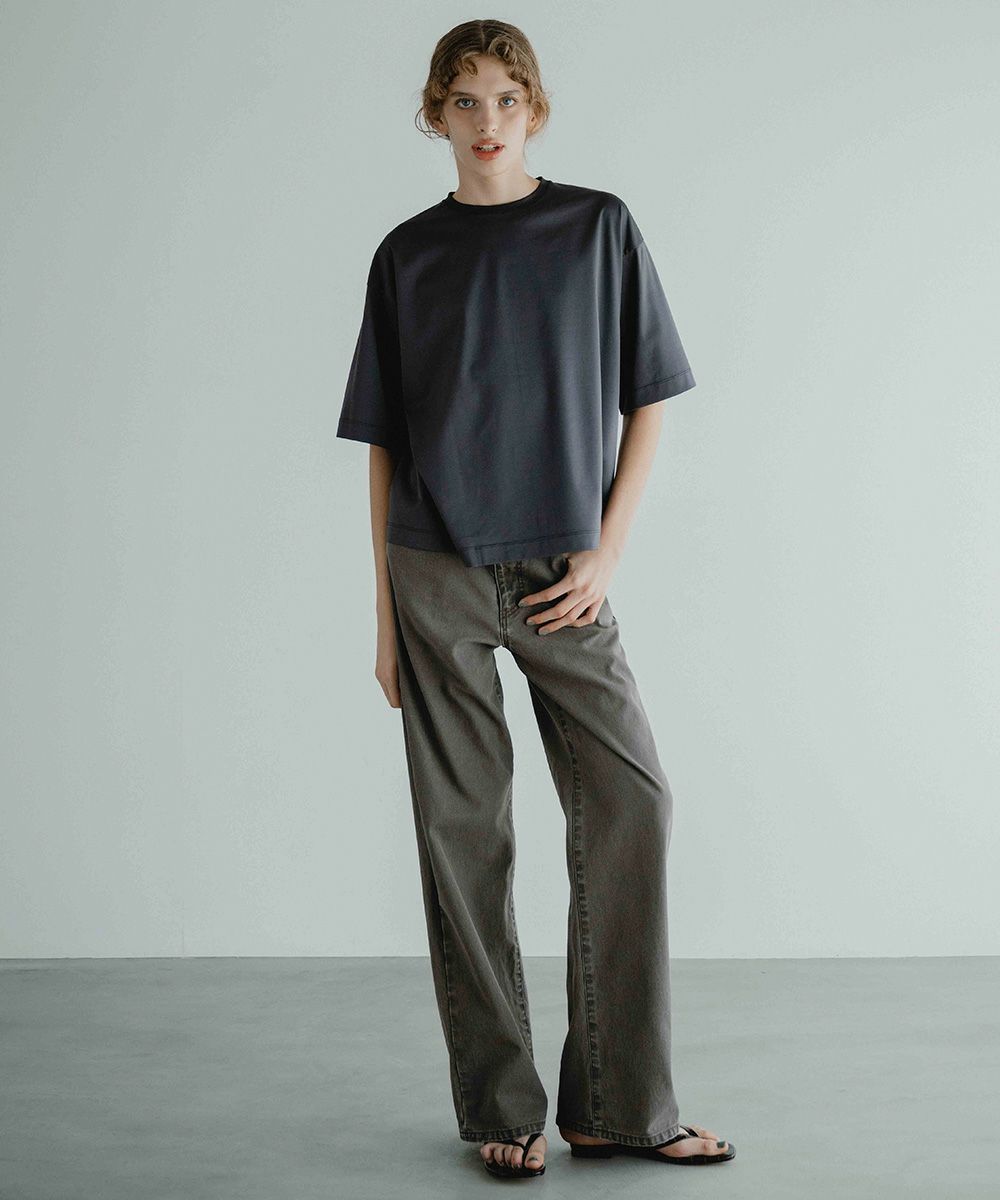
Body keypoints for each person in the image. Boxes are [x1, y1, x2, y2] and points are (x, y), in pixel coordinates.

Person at [337, 19, 735, 1180]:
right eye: (464, 100)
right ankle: (501, 1110)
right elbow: (383, 443)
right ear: (435, 114)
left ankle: (618, 1104)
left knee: (632, 802)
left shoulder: (596, 228)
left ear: (535, 109)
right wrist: (383, 619)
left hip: (565, 573)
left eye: (506, 98)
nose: (487, 120)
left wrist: (606, 555)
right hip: (435, 574)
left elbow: (649, 399)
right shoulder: (407, 254)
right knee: (465, 837)